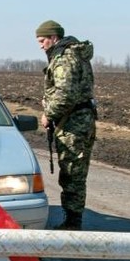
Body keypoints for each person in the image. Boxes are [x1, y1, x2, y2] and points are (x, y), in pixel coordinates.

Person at [36, 20, 97, 230]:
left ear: (53, 38)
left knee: (72, 174)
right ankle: (72, 220)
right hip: (76, 120)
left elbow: (65, 93)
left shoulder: (65, 58)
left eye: (43, 40)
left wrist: (49, 115)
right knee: (74, 173)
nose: (41, 45)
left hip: (73, 124)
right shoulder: (73, 54)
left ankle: (72, 224)